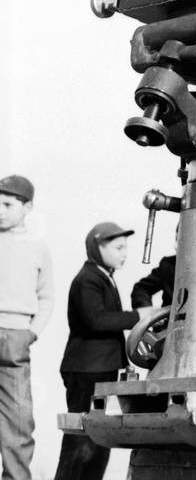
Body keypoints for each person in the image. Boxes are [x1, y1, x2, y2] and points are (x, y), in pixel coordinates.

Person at [55, 223, 140, 480]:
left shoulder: (102, 276)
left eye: (125, 248)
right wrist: (138, 316)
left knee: (98, 442)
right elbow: (97, 320)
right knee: (80, 443)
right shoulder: (89, 279)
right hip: (87, 371)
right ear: (98, 247)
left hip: (99, 369)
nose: (124, 253)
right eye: (118, 247)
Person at [0, 175, 52, 480]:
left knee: (18, 420)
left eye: (7, 204)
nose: (0, 210)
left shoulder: (38, 247)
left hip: (16, 338)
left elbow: (47, 296)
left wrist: (32, 332)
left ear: (27, 207)